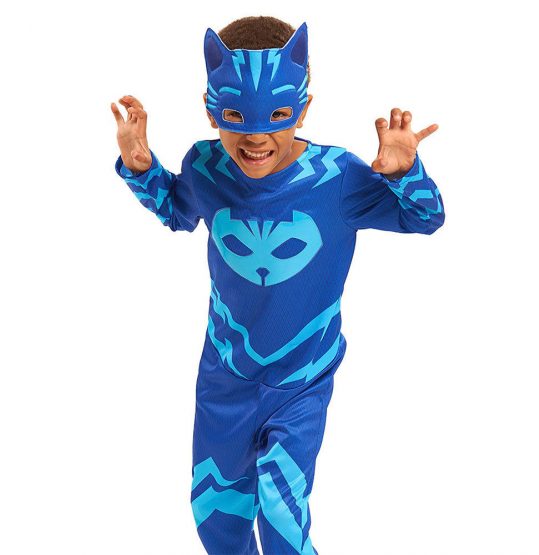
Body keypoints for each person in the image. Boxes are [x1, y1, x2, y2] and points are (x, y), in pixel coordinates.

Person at [110, 15, 444, 555]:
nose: (256, 137)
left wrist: (406, 174)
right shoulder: (205, 168)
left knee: (281, 513)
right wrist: (140, 167)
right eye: (236, 117)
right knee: (215, 515)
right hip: (225, 378)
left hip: (302, 381)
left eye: (278, 116)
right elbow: (176, 210)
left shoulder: (337, 178)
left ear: (303, 108)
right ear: (210, 110)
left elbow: (426, 218)